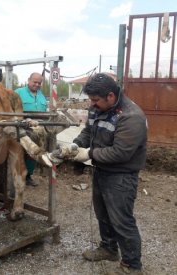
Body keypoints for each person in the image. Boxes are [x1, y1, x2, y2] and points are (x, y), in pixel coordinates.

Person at [61, 73, 147, 274]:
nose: (92, 104)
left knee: (122, 220)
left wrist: (88, 153)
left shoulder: (131, 116)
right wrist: (76, 146)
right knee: (103, 214)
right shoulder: (97, 108)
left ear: (110, 96)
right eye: (91, 100)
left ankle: (132, 264)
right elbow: (88, 132)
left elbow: (121, 152)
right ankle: (109, 249)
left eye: (95, 100)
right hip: (101, 170)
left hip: (121, 176)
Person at [15, 72, 47, 186]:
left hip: (38, 129)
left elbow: (45, 113)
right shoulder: (18, 92)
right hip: (22, 128)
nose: (37, 84)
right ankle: (17, 176)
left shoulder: (41, 95)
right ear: (29, 80)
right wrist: (24, 120)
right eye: (35, 82)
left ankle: (28, 175)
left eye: (39, 83)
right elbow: (10, 110)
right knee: (21, 153)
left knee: (35, 152)